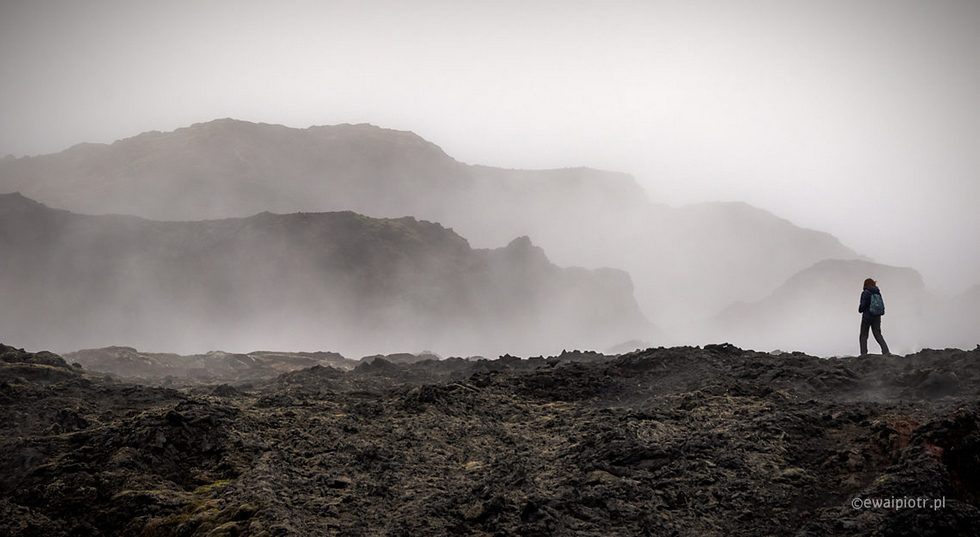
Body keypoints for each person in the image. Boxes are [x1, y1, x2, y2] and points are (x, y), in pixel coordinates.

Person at [858, 278, 891, 356]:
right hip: (877, 316)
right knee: (878, 334)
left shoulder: (865, 292)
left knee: (863, 335)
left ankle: (864, 354)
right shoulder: (878, 292)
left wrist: (860, 309)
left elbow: (862, 306)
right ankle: (886, 351)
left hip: (867, 316)